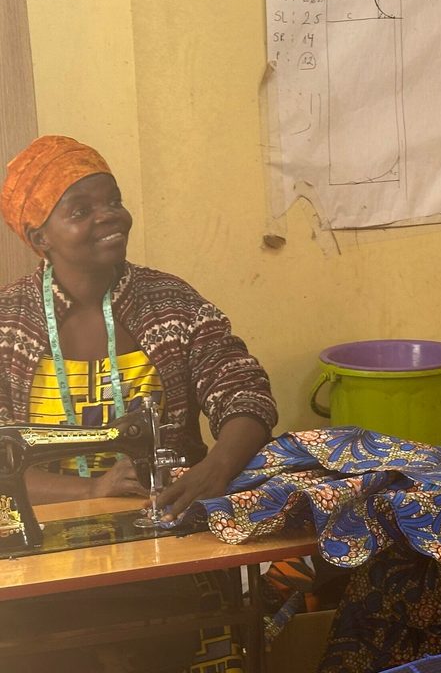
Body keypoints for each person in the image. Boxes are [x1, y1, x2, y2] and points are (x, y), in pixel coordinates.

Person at [0, 134, 278, 672]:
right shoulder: (7, 325)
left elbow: (245, 390)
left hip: (165, 538)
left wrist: (216, 469)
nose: (110, 217)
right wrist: (92, 491)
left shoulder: (170, 303)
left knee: (177, 640)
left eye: (113, 200)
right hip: (41, 558)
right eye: (82, 210)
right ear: (40, 237)